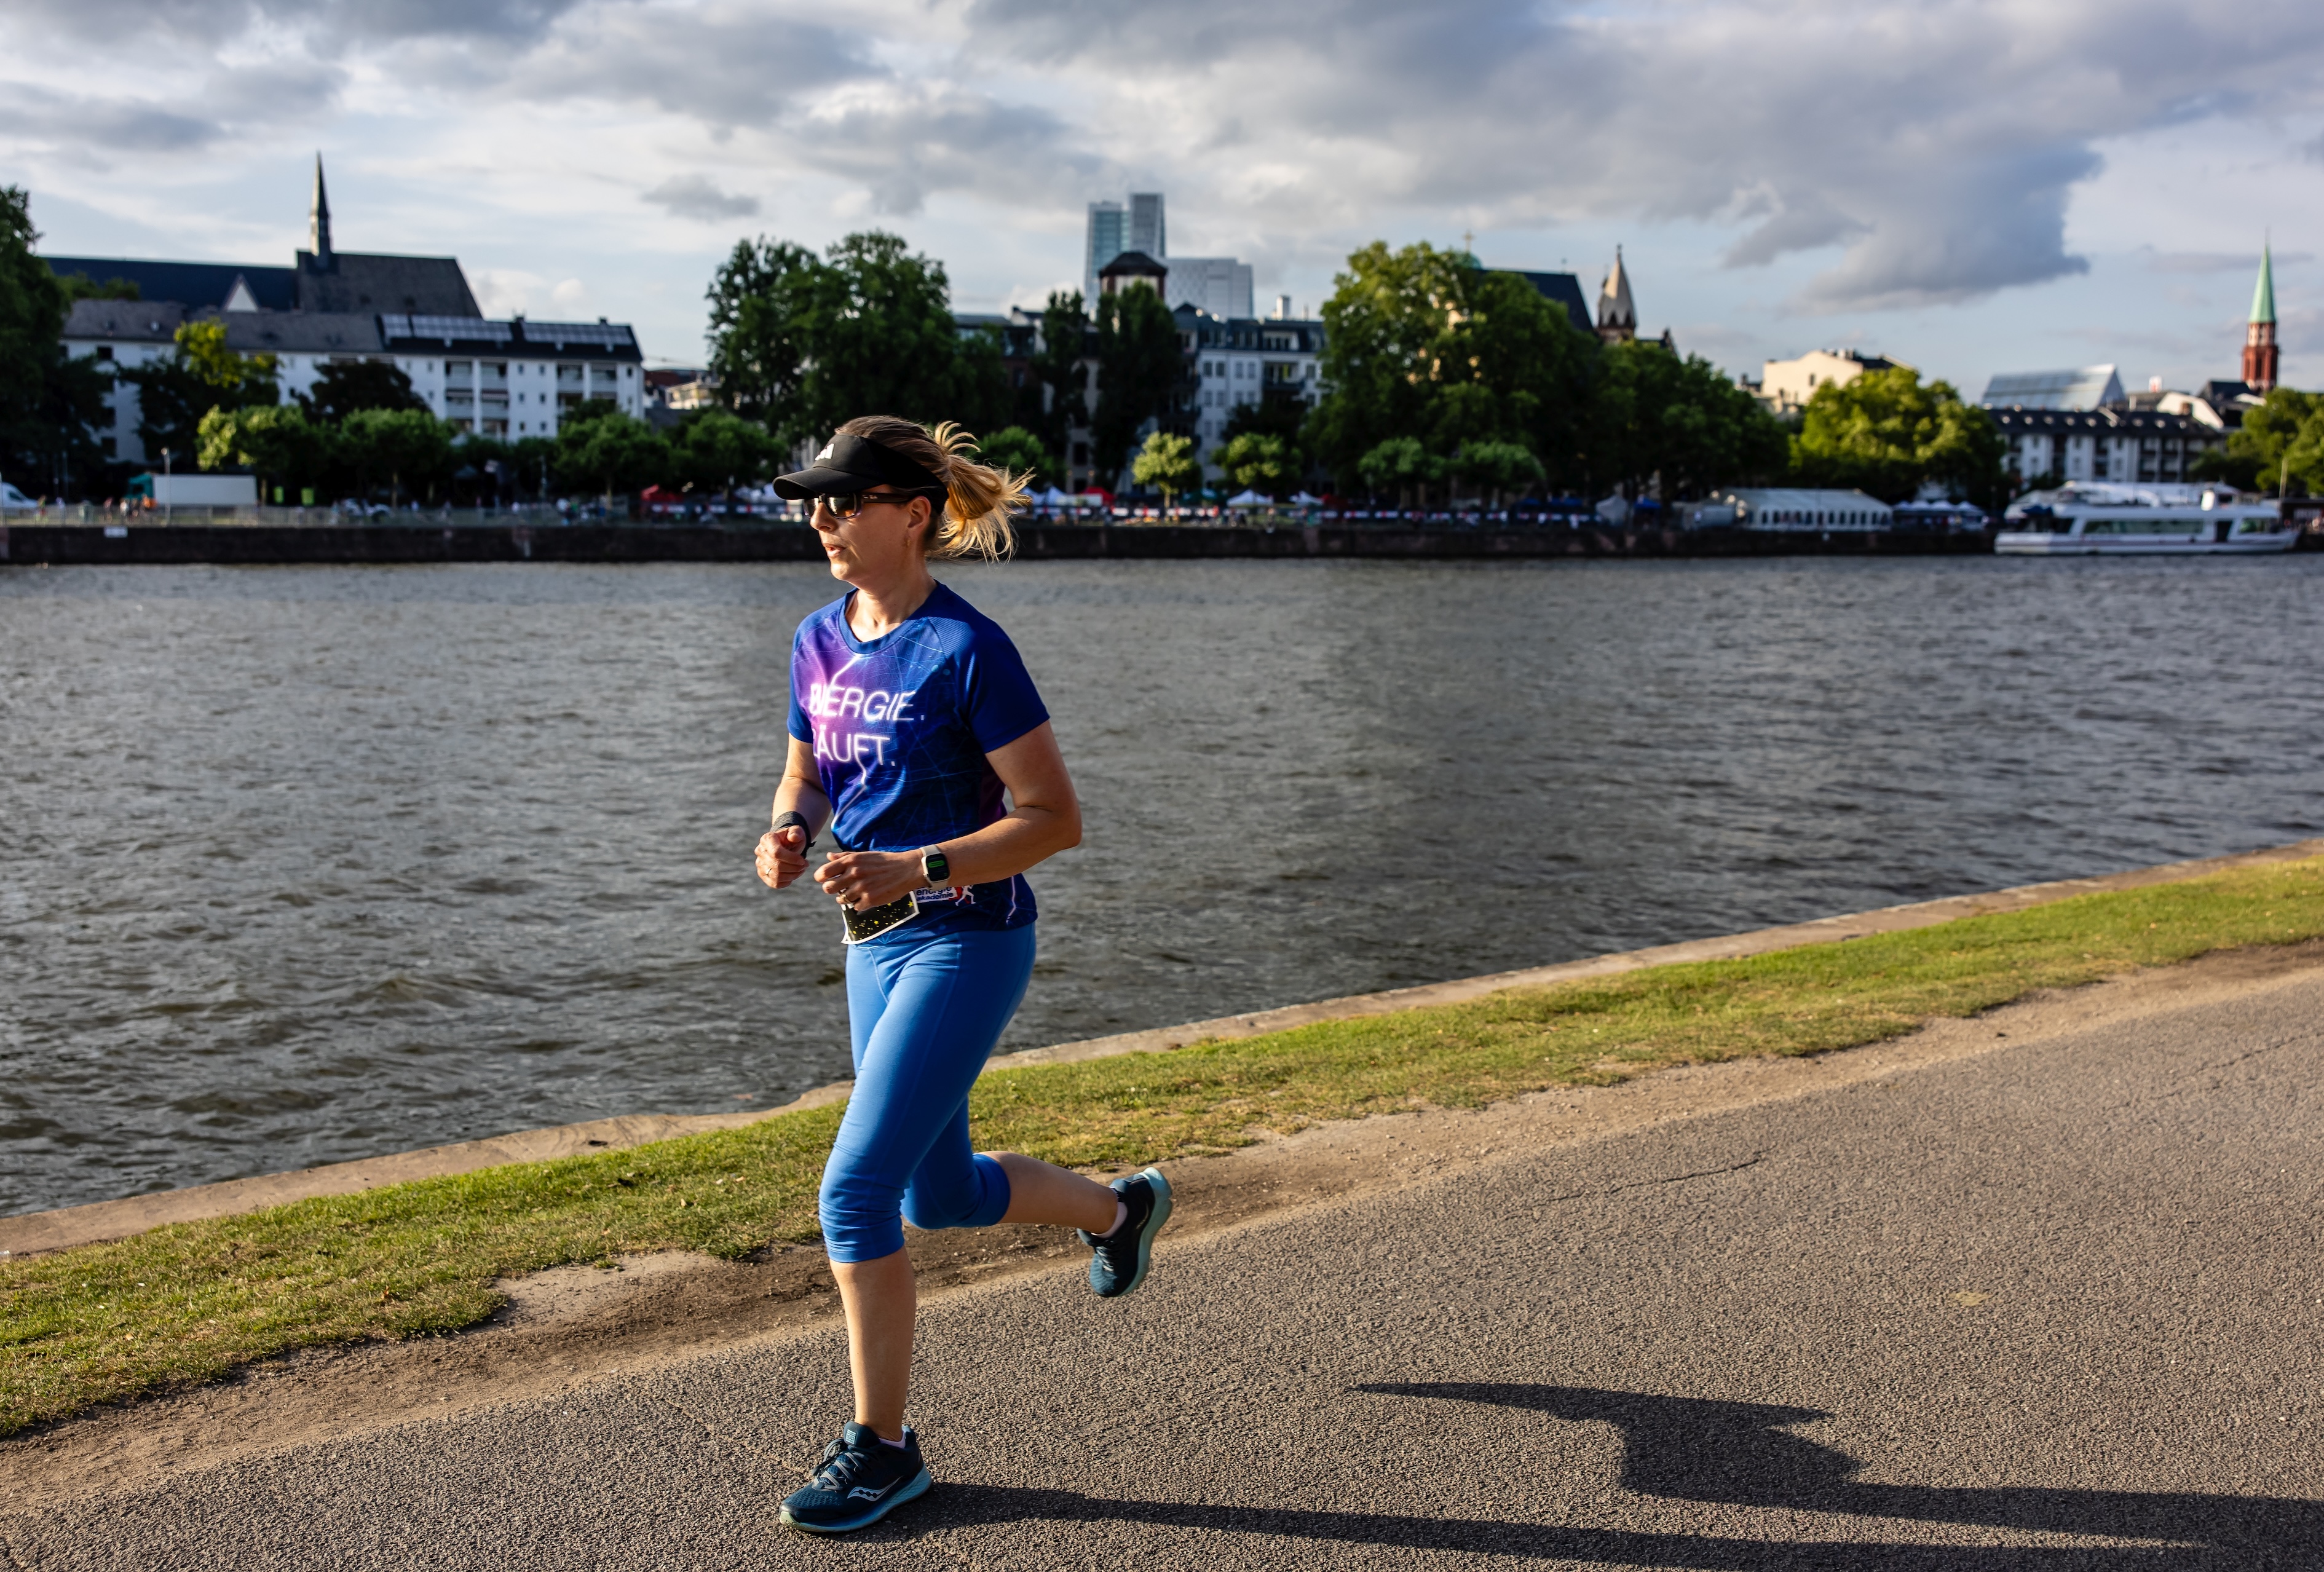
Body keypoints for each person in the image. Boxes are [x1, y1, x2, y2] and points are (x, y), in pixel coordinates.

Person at [753, 416, 1172, 1535]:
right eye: (813, 500)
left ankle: (883, 1450)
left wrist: (917, 863)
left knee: (853, 1190)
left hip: (968, 937)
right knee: (936, 1197)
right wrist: (786, 832)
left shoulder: (968, 648)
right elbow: (803, 775)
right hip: (871, 946)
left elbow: (1055, 820)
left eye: (845, 499)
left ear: (914, 514)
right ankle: (1121, 1207)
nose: (823, 518)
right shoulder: (815, 638)